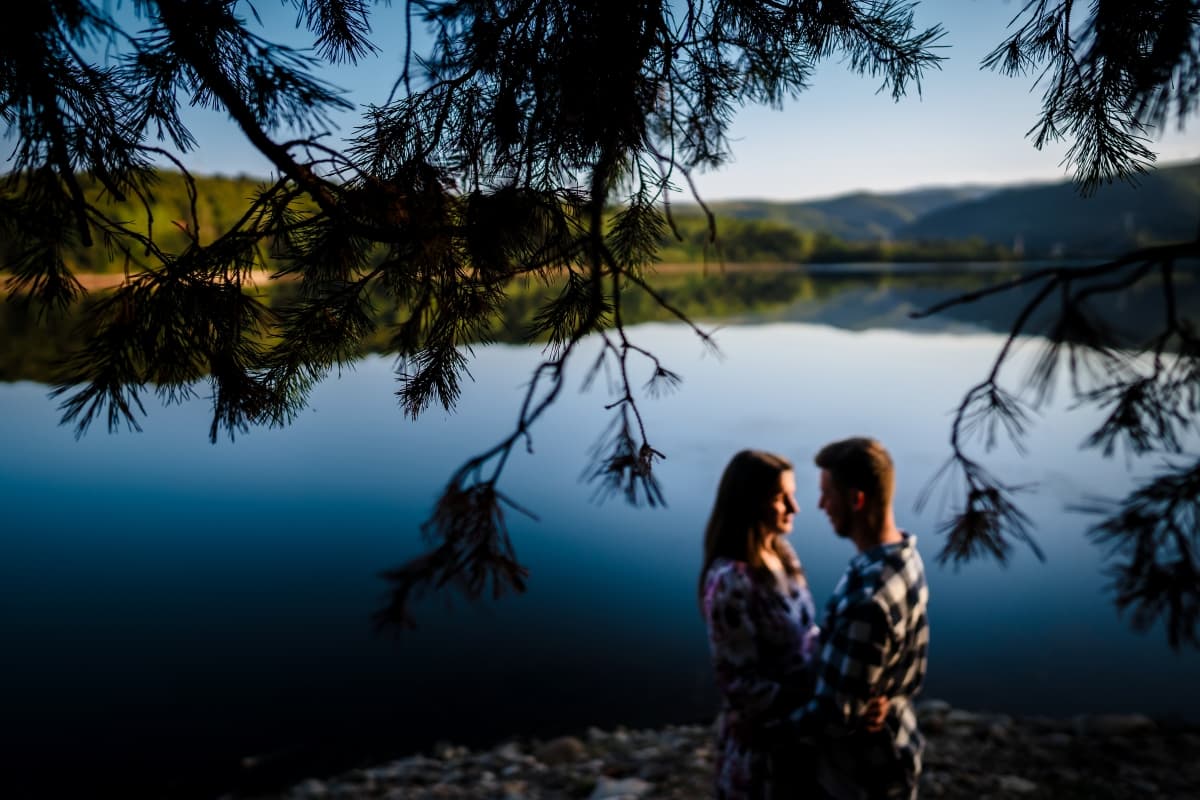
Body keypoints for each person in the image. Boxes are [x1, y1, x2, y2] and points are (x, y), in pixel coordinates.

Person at [700, 449, 886, 799]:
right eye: (779, 498)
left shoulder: (782, 553)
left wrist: (853, 688)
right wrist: (829, 699)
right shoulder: (730, 583)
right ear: (750, 503)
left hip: (802, 734)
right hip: (763, 753)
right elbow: (739, 686)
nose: (794, 507)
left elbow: (807, 637)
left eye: (793, 494)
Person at [782, 436, 930, 800]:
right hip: (899, 746)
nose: (819, 505)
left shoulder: (869, 600)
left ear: (856, 500)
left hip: (863, 775)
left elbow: (834, 715)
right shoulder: (904, 556)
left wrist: (773, 731)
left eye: (827, 493)